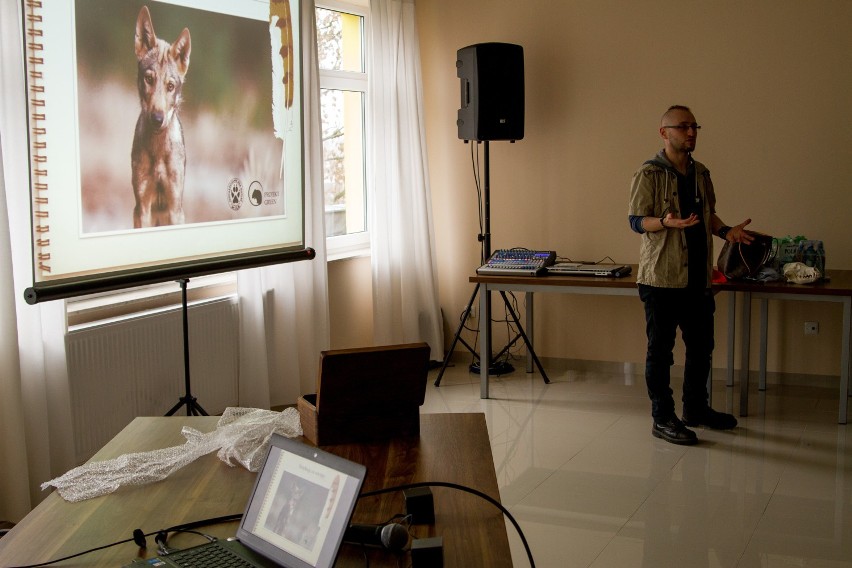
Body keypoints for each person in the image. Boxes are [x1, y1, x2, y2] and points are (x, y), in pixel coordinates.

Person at [628, 105, 752, 445]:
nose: (691, 132)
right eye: (683, 127)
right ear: (664, 132)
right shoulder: (649, 173)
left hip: (698, 279)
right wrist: (666, 223)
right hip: (661, 280)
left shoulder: (702, 173)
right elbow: (636, 221)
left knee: (701, 348)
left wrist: (727, 232)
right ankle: (662, 417)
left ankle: (696, 409)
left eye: (694, 126)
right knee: (661, 351)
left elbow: (708, 215)